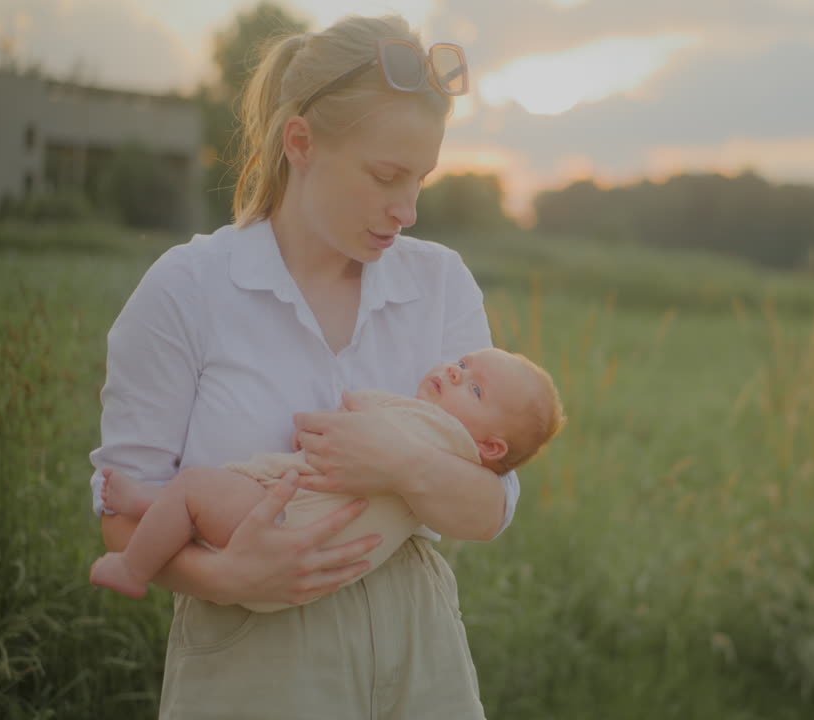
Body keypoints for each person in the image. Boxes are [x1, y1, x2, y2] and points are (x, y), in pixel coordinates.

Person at [90, 14, 522, 719]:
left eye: (420, 180)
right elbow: (119, 511)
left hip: (421, 651)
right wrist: (227, 577)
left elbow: (491, 507)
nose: (408, 209)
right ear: (301, 142)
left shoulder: (441, 284)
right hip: (254, 655)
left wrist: (396, 464)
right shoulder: (187, 288)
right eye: (386, 176)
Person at [89, 348, 565, 612]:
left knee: (194, 491)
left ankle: (133, 568)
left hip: (285, 525)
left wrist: (325, 425)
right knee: (199, 506)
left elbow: (325, 426)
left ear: (491, 448)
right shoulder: (459, 462)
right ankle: (150, 501)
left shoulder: (424, 424)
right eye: (461, 365)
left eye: (474, 387)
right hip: (290, 558)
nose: (454, 373)